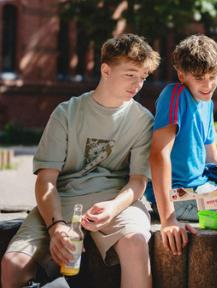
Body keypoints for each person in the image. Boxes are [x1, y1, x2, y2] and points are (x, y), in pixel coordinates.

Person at [1, 33, 160, 288]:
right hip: (62, 200)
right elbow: (46, 180)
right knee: (13, 265)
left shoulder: (143, 121)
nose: (138, 84)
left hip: (115, 199)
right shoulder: (66, 113)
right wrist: (56, 227)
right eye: (130, 74)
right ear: (106, 70)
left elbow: (138, 181)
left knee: (135, 245)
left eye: (143, 77)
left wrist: (114, 207)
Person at [148, 34, 217, 256]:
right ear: (182, 75)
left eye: (213, 76)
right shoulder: (175, 95)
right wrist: (169, 219)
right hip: (177, 195)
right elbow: (158, 156)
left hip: (201, 186)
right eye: (200, 78)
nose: (208, 85)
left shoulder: (206, 102)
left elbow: (211, 155)